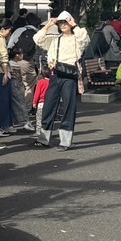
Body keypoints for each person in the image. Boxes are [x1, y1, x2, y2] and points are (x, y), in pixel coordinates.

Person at [34, 10, 89, 150]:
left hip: (70, 76)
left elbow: (84, 39)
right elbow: (38, 39)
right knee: (48, 106)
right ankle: (44, 139)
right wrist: (48, 25)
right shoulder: (55, 39)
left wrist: (74, 25)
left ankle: (65, 142)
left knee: (68, 107)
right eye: (61, 23)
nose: (63, 25)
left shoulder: (77, 39)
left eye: (66, 22)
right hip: (55, 74)